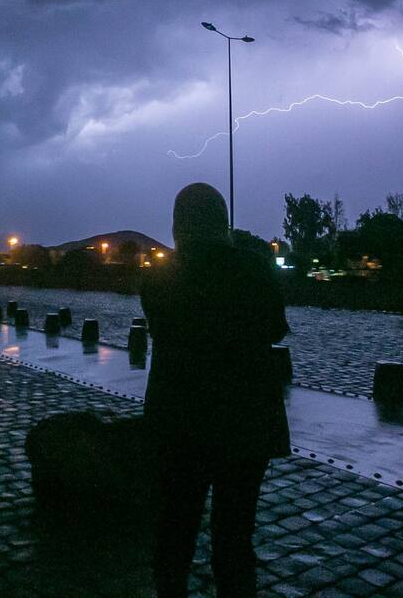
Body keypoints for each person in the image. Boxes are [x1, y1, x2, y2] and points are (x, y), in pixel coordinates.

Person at [141, 183, 289, 598]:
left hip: (180, 422)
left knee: (176, 530)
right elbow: (275, 328)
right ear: (222, 220)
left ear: (178, 225)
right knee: (235, 538)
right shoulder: (256, 270)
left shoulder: (156, 281)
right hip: (246, 423)